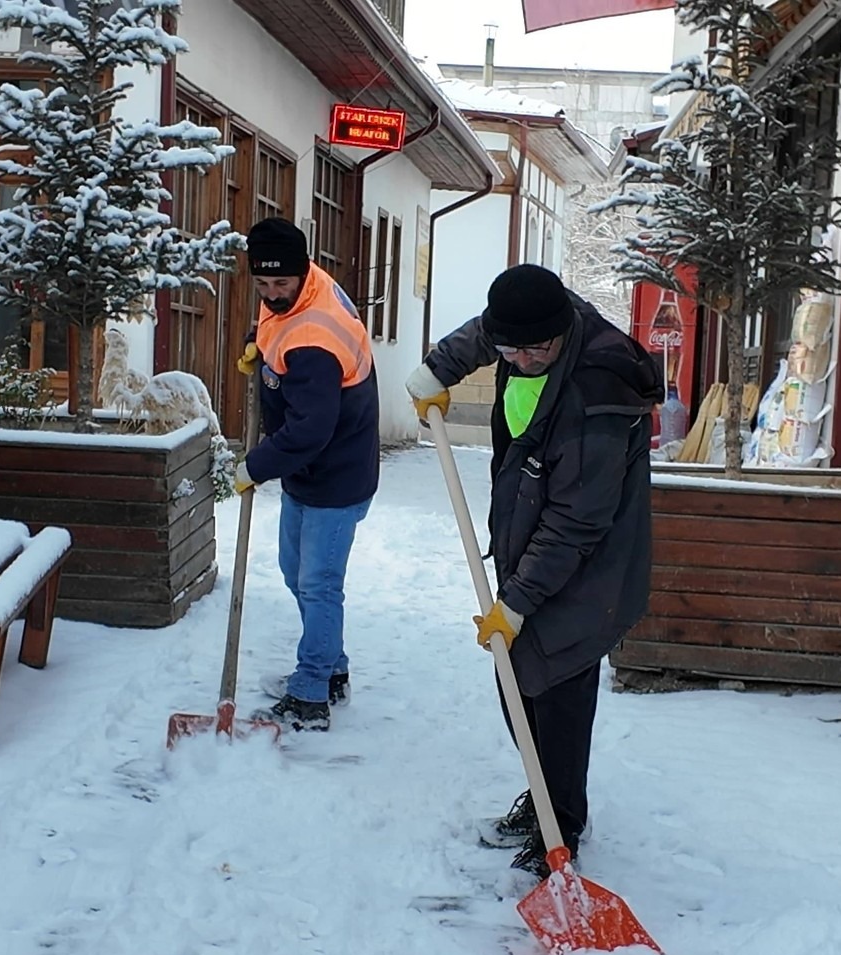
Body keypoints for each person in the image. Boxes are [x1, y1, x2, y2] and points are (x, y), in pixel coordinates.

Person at [405, 264, 660, 876]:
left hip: (591, 562)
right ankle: (545, 799)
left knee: (559, 682)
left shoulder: (597, 395)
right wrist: (439, 369)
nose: (518, 359)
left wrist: (517, 602)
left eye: (532, 349)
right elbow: (486, 331)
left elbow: (577, 521)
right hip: (534, 537)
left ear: (560, 334)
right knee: (516, 674)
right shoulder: (539, 319)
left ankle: (561, 828)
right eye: (508, 349)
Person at [231, 218, 380, 732]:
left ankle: (312, 690)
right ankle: (331, 664)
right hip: (310, 473)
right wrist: (261, 344)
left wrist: (254, 466)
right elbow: (279, 323)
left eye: (281, 286)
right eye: (263, 285)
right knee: (296, 572)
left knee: (317, 584)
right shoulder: (303, 287)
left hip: (333, 477)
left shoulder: (314, 340)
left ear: (301, 276)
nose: (272, 295)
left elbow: (309, 432)